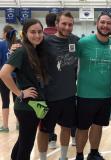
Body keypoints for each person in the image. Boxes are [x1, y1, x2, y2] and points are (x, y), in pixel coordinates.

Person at [0, 18, 48, 160]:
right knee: (26, 146)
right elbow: (3, 73)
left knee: (23, 141)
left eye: (39, 32)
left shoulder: (34, 50)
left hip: (36, 104)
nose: (37, 35)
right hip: (27, 106)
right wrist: (19, 93)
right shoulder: (22, 51)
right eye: (33, 32)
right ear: (25, 33)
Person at [37, 11, 79, 160]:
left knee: (66, 128)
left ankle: (63, 157)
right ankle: (42, 158)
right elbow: (28, 51)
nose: (67, 27)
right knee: (43, 131)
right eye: (64, 23)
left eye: (70, 24)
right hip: (47, 97)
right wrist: (16, 47)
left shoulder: (76, 41)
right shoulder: (44, 42)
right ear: (56, 24)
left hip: (68, 95)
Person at [75, 12, 111, 160]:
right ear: (97, 24)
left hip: (105, 95)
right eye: (103, 22)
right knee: (82, 127)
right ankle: (79, 154)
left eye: (108, 23)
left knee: (98, 126)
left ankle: (93, 153)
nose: (105, 26)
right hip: (85, 94)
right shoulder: (83, 43)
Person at [43, 12, 58, 150]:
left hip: (44, 86)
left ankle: (51, 138)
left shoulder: (40, 37)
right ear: (57, 23)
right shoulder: (62, 37)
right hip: (64, 84)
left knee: (46, 116)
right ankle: (73, 137)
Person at [0, 25, 18, 132]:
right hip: (16, 76)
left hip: (4, 77)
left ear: (5, 33)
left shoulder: (1, 44)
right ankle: (19, 124)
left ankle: (5, 126)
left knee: (5, 101)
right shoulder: (18, 45)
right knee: (17, 100)